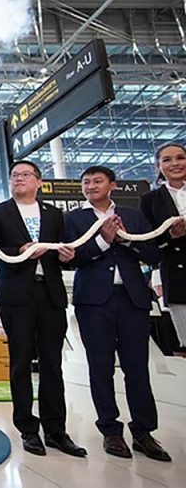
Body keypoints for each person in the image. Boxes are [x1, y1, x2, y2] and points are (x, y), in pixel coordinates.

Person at [64, 166, 170, 462]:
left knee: (137, 368)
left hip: (132, 299)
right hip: (93, 303)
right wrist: (103, 240)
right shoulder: (73, 219)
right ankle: (111, 430)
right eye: (86, 182)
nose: (90, 186)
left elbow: (153, 254)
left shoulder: (132, 216)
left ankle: (144, 432)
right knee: (100, 368)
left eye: (97, 181)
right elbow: (73, 259)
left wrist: (125, 239)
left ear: (112, 185)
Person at [0, 160, 86, 458]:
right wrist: (19, 251)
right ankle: (28, 429)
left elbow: (66, 251)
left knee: (52, 363)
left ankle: (56, 430)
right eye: (14, 175)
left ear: (39, 181)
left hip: (50, 293)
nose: (18, 179)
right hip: (16, 294)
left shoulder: (54, 214)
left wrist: (67, 256)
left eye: (25, 175)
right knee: (20, 363)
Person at [140, 142, 186, 355]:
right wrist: (172, 236)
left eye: (180, 157)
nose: (175, 163)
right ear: (158, 166)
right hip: (178, 277)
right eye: (167, 160)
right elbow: (149, 243)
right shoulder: (150, 200)